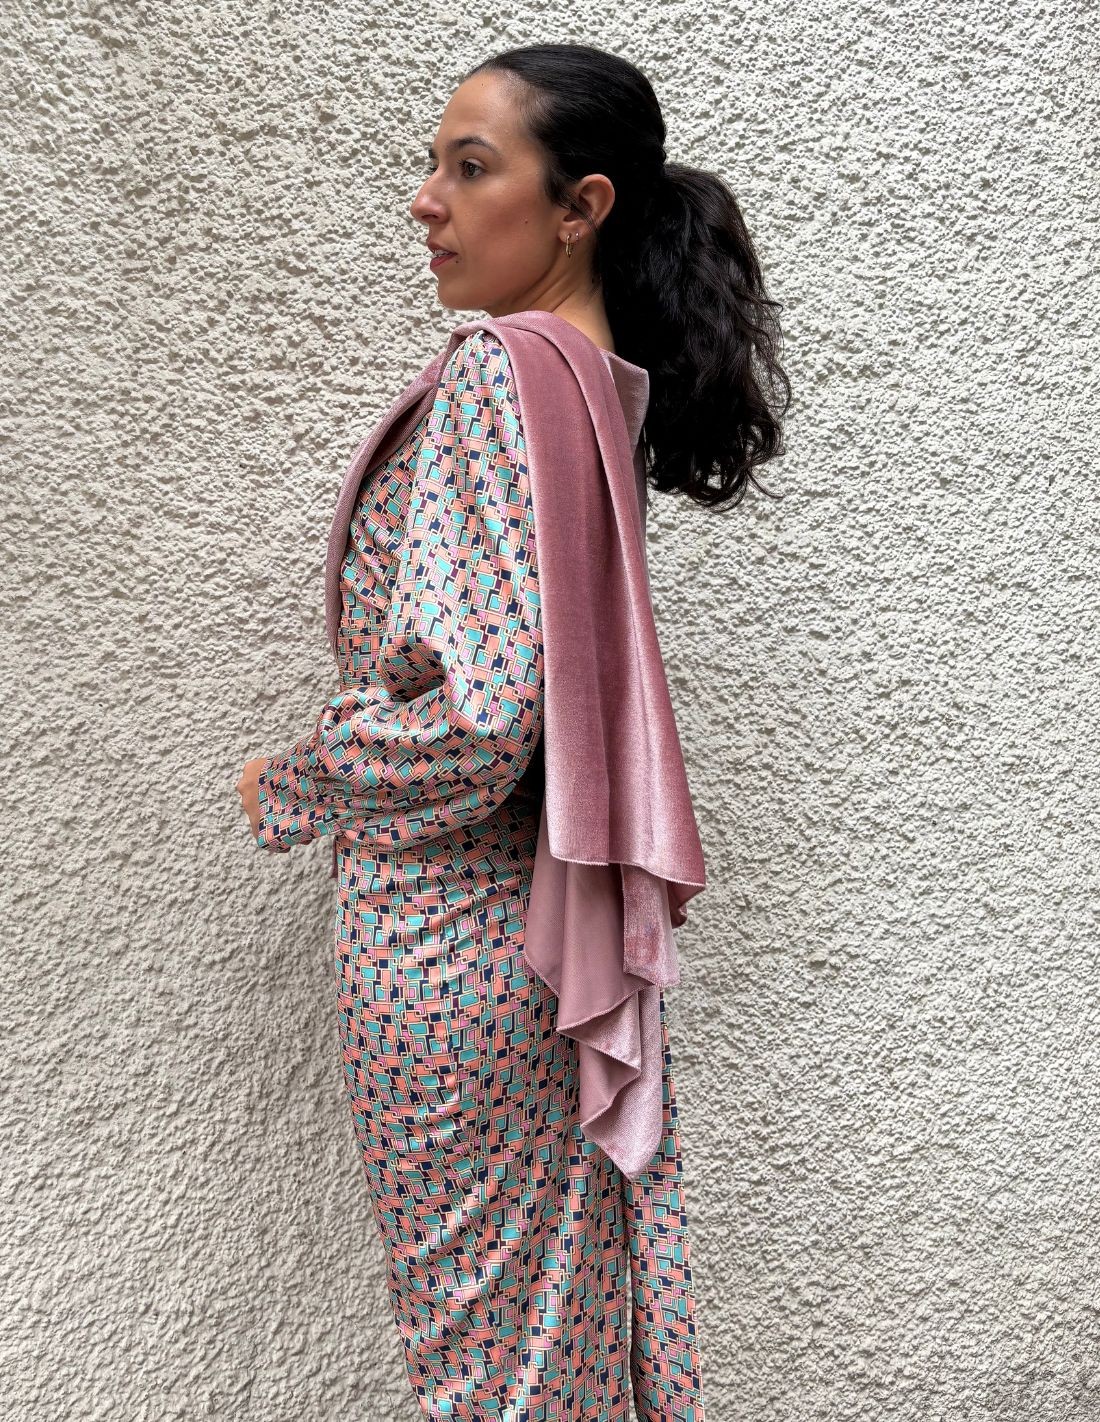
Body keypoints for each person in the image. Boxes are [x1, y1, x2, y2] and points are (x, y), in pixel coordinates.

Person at [236, 41, 789, 1420]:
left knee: (489, 1363)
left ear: (580, 207)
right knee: (554, 1332)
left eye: (471, 167)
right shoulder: (592, 386)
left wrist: (300, 778)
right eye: (434, 164)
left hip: (444, 938)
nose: (427, 199)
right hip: (540, 940)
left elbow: (479, 723)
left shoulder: (500, 373)